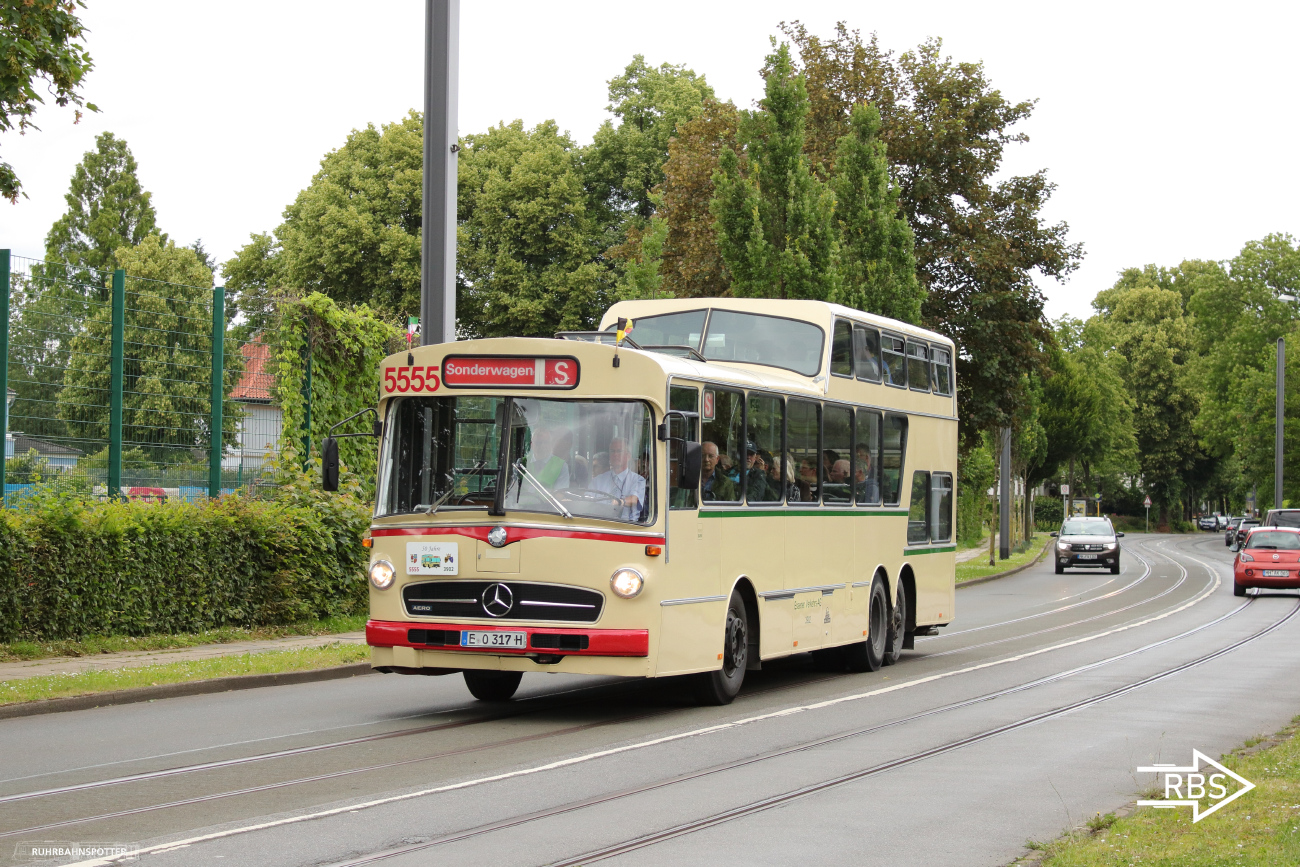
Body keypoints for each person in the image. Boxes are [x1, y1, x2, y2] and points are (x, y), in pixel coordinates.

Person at [592, 437, 647, 521]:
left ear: (628, 456)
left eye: (619, 451)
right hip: (600, 525)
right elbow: (587, 499)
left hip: (626, 527)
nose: (615, 455)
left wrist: (620, 502)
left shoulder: (638, 480)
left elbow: (634, 499)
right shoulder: (598, 480)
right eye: (612, 451)